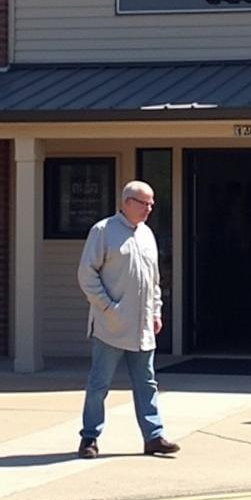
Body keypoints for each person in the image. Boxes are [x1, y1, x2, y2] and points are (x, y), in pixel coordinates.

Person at [76, 179, 180, 459]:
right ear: (127, 203)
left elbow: (154, 280)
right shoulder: (103, 231)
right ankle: (89, 438)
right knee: (99, 384)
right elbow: (87, 275)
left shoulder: (147, 235)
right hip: (111, 326)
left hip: (142, 326)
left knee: (147, 383)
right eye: (145, 203)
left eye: (152, 203)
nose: (150, 208)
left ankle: (153, 436)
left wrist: (156, 311)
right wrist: (109, 307)